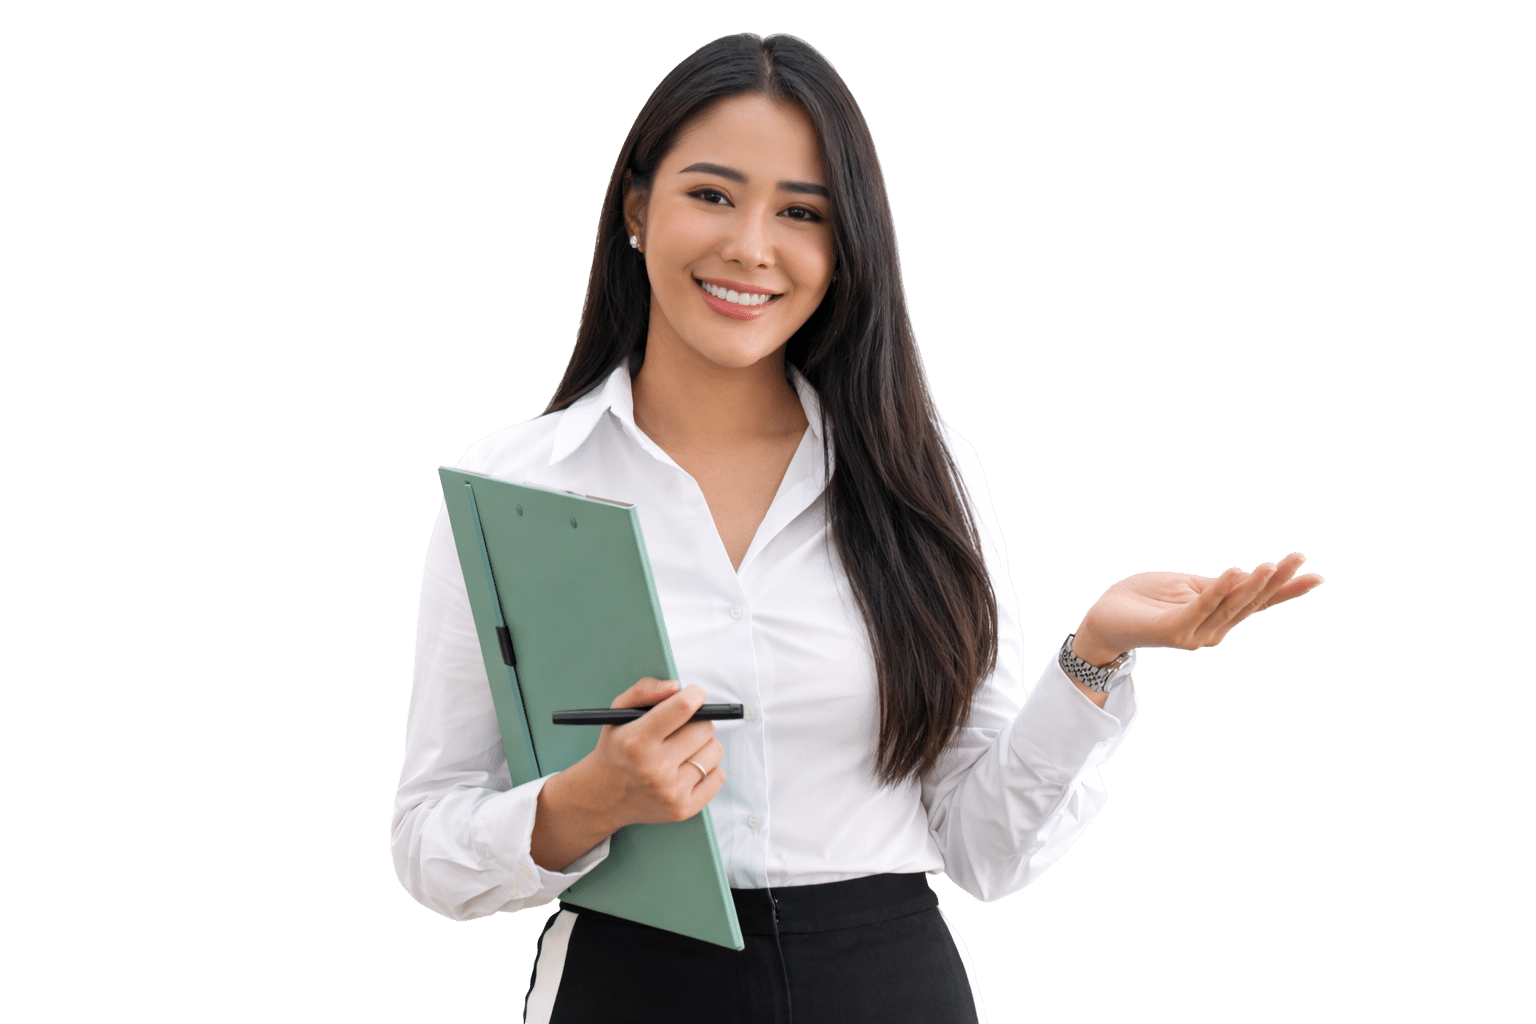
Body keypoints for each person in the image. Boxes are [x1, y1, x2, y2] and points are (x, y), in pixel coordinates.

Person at [391, 32, 1324, 1024]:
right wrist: (590, 799)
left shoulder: (926, 472)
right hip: (626, 987)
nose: (752, 244)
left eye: (802, 213)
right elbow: (428, 838)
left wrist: (1095, 656)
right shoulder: (514, 486)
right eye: (712, 194)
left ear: (845, 251)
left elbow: (985, 848)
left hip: (888, 986)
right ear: (635, 209)